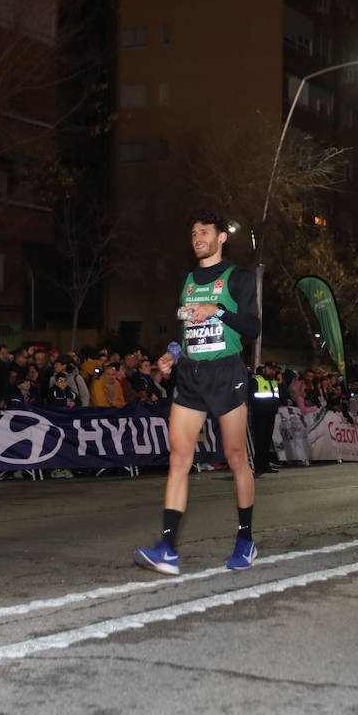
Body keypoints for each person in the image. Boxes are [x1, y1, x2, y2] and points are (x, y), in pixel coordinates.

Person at [134, 210, 260, 575]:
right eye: (193, 233)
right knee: (178, 459)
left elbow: (253, 326)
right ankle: (168, 549)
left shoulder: (238, 279)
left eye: (204, 232)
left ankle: (246, 540)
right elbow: (184, 329)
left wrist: (217, 310)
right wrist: (172, 355)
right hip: (190, 375)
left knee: (236, 458)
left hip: (226, 374)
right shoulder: (186, 279)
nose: (197, 238)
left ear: (222, 237)